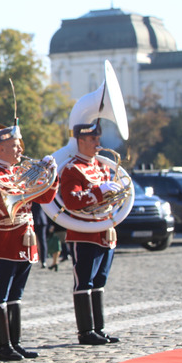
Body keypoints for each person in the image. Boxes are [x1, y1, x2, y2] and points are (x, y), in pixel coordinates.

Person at [0, 125, 58, 362]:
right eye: (14, 146)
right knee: (1, 294)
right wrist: (5, 205)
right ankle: (3, 346)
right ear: (0, 148)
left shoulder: (19, 173)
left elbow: (45, 197)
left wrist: (52, 175)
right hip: (3, 240)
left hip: (25, 239)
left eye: (19, 145)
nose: (20, 149)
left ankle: (15, 343)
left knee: (16, 295)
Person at [58, 123, 122, 345]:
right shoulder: (72, 169)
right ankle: (85, 331)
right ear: (80, 141)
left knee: (99, 281)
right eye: (93, 139)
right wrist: (98, 191)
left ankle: (99, 328)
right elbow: (71, 201)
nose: (98, 143)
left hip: (105, 230)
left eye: (97, 138)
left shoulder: (102, 166)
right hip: (84, 232)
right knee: (84, 281)